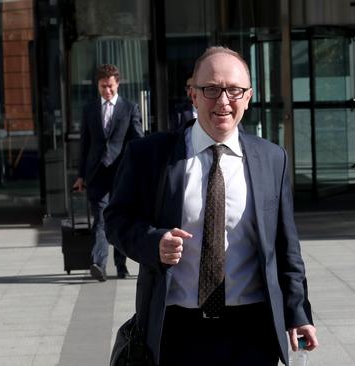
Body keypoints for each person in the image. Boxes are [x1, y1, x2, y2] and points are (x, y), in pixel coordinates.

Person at [104, 46, 318, 365]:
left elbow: (286, 246)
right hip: (176, 329)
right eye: (211, 89)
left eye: (234, 90)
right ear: (193, 94)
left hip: (252, 329)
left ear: (248, 96)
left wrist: (297, 312)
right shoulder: (150, 156)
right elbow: (116, 220)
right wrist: (153, 242)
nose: (223, 101)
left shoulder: (272, 159)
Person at [72, 64, 143, 281]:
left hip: (121, 174)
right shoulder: (90, 109)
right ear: (98, 85)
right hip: (97, 175)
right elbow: (85, 144)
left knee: (120, 219)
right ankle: (98, 264)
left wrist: (139, 170)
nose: (107, 91)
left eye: (111, 86)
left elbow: (137, 140)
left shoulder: (129, 108)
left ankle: (121, 266)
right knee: (101, 219)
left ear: (117, 84)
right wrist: (81, 175)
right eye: (103, 87)